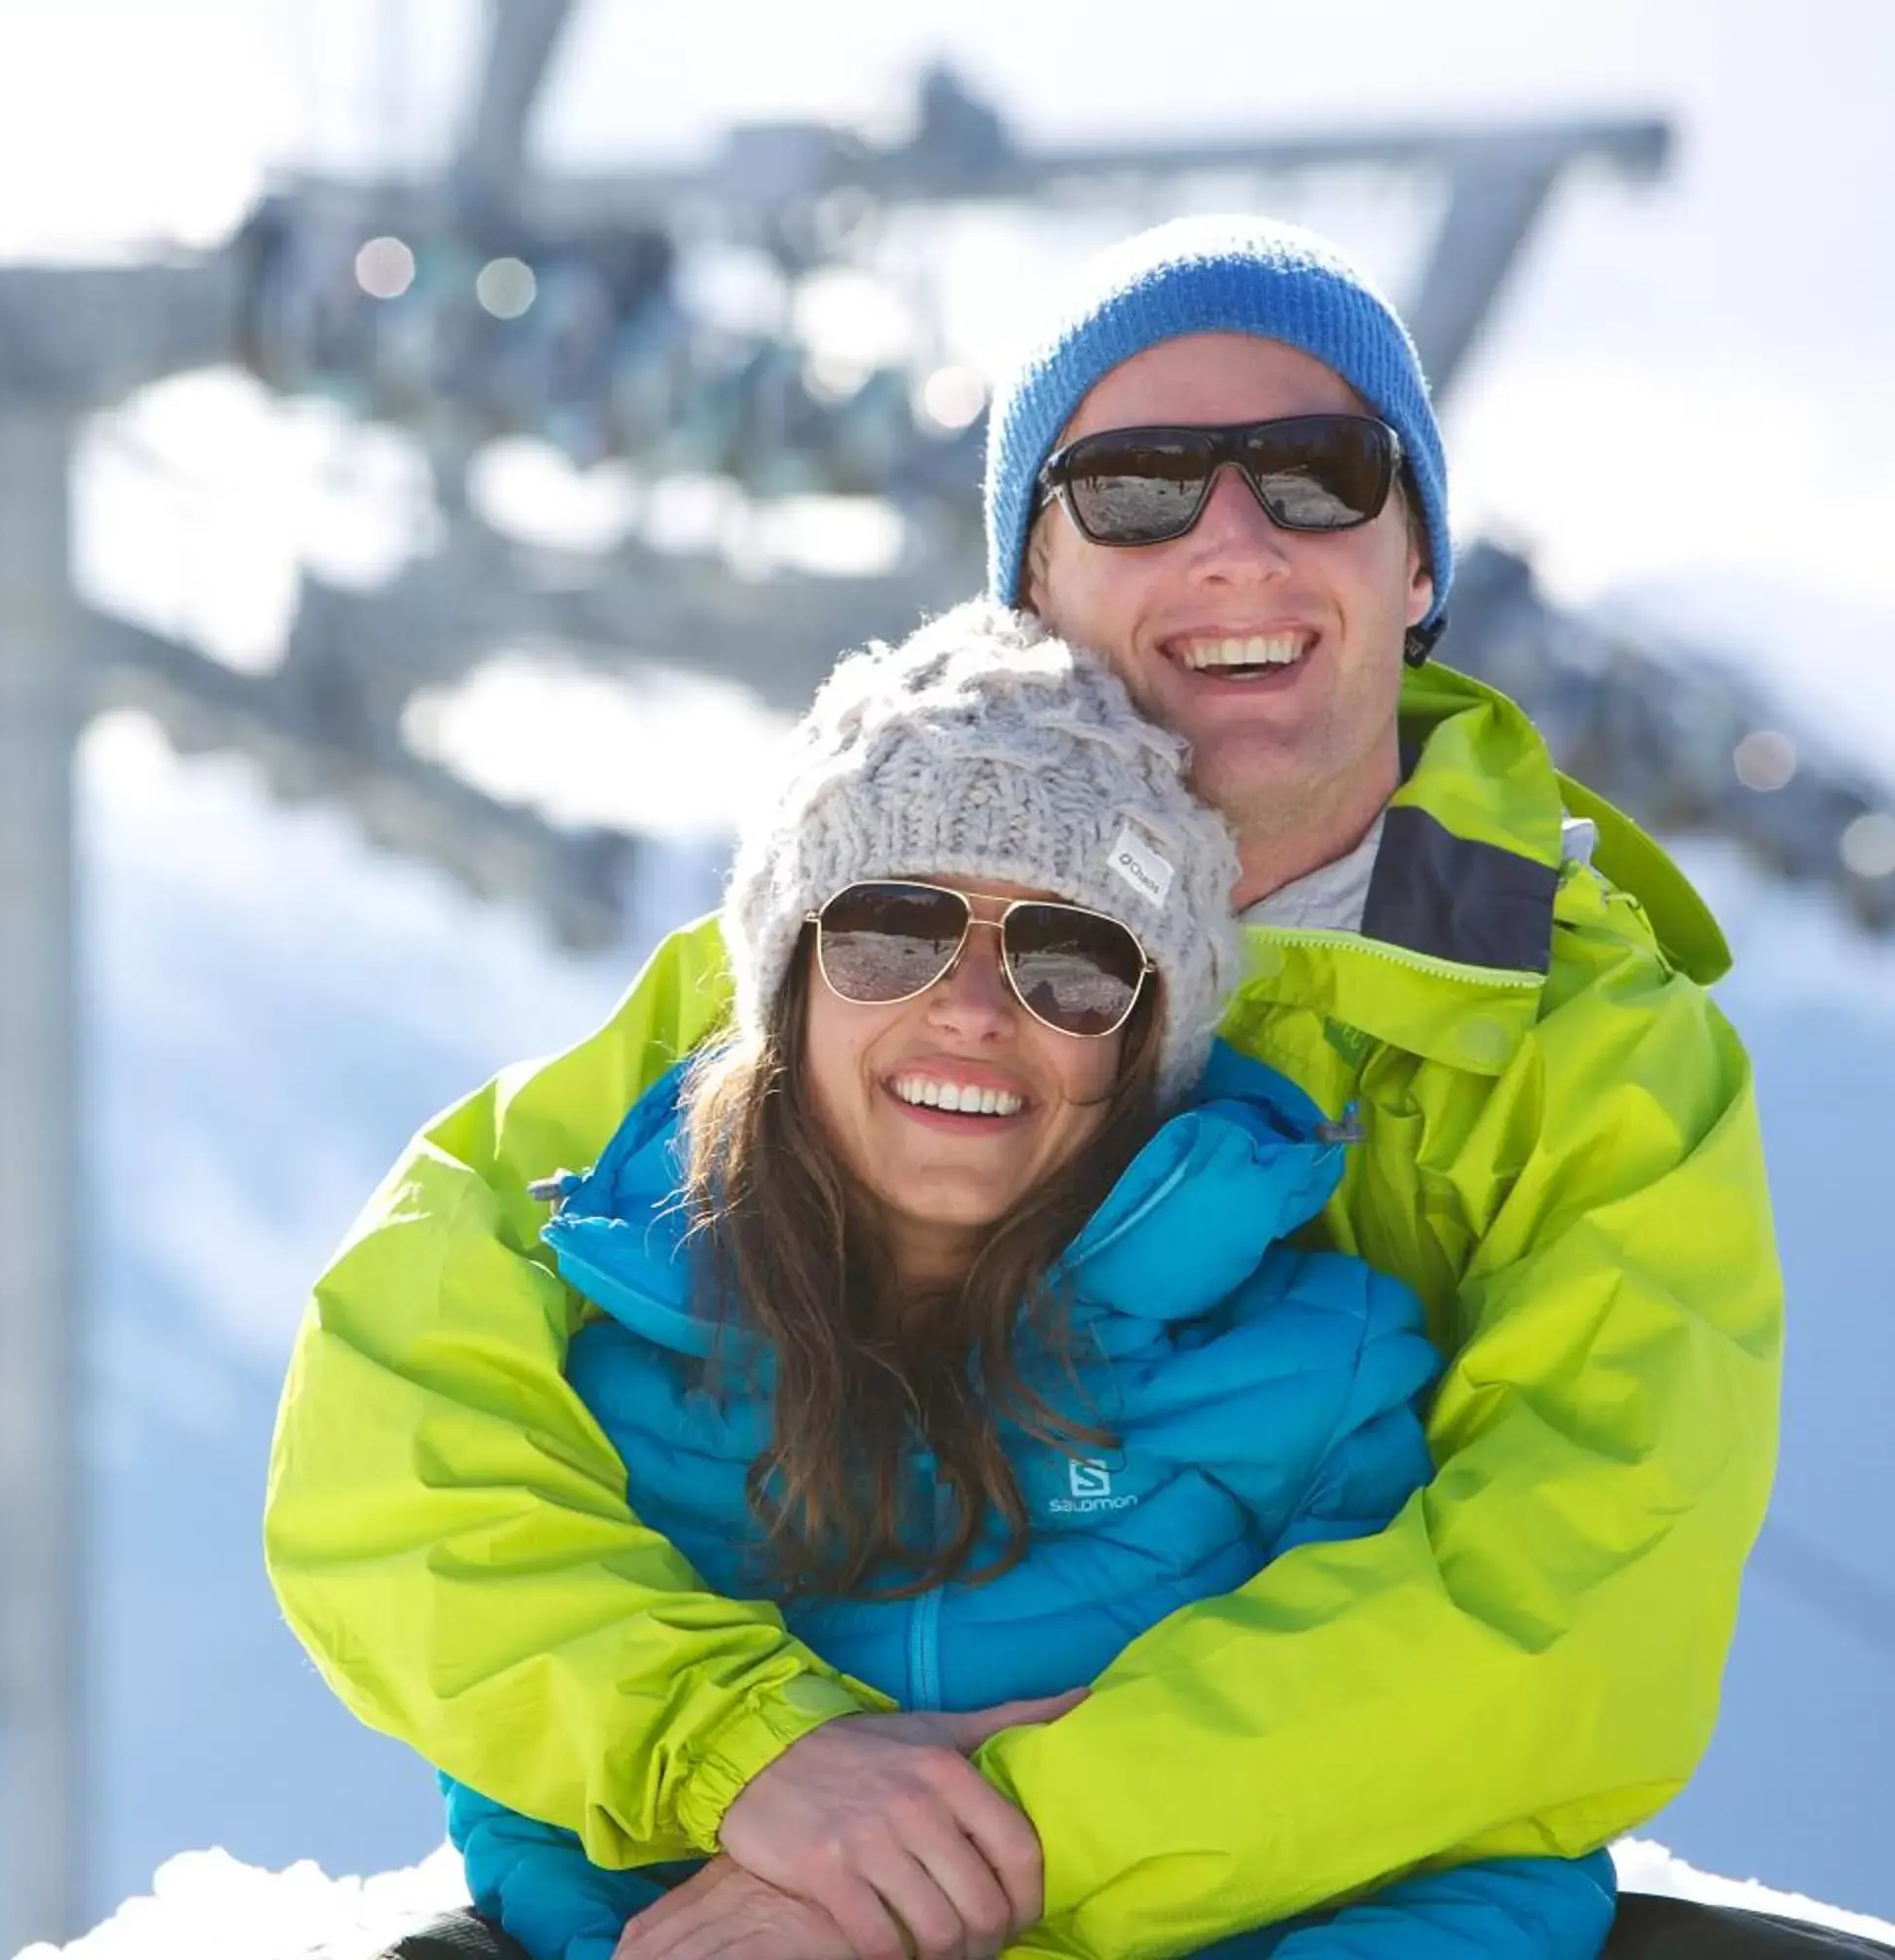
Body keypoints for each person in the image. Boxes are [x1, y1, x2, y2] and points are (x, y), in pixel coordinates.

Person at [265, 215, 1850, 1956]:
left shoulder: (1574, 1043)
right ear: (1030, 580)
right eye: (1138, 489)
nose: (1235, 542)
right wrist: (742, 1749)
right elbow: (408, 1400)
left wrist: (946, 1865)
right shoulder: (850, 933)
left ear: (1418, 566)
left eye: (1320, 475)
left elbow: (1568, 1613)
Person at [439, 602, 1619, 1960]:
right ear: (789, 990)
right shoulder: (616, 1375)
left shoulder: (1313, 1390)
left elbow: (1475, 1827)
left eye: (1073, 962)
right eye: (892, 930)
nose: (976, 1008)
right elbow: (534, 1798)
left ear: (1149, 1049)